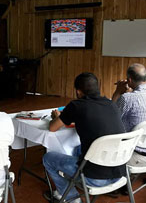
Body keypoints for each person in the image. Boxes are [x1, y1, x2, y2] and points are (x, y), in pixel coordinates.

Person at [44, 72, 126, 203]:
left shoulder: (76, 105)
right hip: (119, 173)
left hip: (96, 178)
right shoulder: (111, 104)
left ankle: (70, 198)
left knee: (48, 158)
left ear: (78, 91)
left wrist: (57, 117)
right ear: (97, 88)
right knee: (78, 148)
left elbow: (52, 128)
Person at [112, 63, 146, 167]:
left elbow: (110, 118)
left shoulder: (127, 98)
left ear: (129, 80)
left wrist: (118, 92)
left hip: (133, 156)